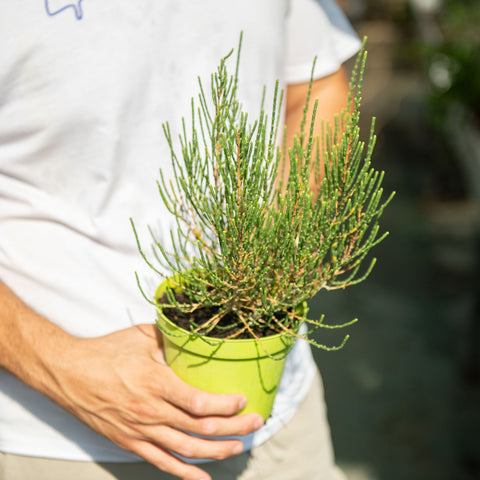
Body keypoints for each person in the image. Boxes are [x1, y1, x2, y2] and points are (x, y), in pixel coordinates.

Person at [0, 1, 360, 479]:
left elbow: (314, 89)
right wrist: (59, 365)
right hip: (60, 442)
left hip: (279, 424)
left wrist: (279, 258)